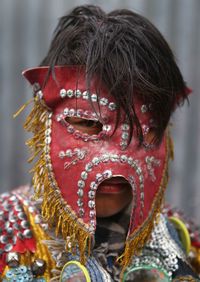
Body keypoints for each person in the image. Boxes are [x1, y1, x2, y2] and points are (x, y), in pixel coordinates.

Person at [1, 5, 200, 282]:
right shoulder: (8, 234)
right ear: (42, 120)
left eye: (146, 132)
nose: (118, 159)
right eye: (89, 123)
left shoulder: (185, 242)